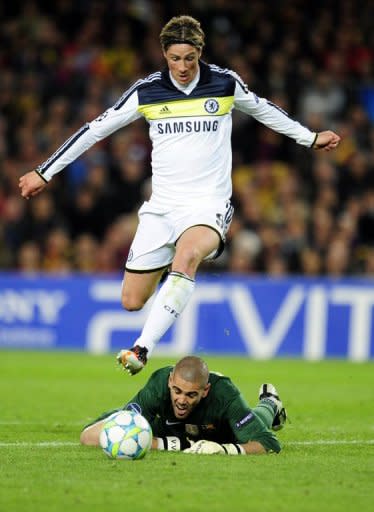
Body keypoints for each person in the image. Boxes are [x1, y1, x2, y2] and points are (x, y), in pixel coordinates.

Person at [19, 15, 341, 375]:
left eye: (190, 58)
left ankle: (142, 348)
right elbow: (94, 130)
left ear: (200, 52)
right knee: (131, 300)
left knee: (187, 256)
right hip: (162, 209)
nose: (183, 67)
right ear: (163, 54)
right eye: (175, 58)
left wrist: (309, 138)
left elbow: (265, 110)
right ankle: (174, 284)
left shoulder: (224, 84)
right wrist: (44, 171)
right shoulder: (147, 91)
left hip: (208, 204)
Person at [80, 356, 287, 455]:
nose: (181, 400)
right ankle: (270, 402)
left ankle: (270, 402)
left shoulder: (225, 394)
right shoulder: (158, 385)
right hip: (169, 430)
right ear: (170, 381)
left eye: (191, 395)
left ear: (205, 391)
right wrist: (172, 445)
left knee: (254, 423)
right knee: (102, 431)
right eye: (177, 391)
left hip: (218, 432)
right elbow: (88, 437)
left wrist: (223, 450)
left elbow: (269, 444)